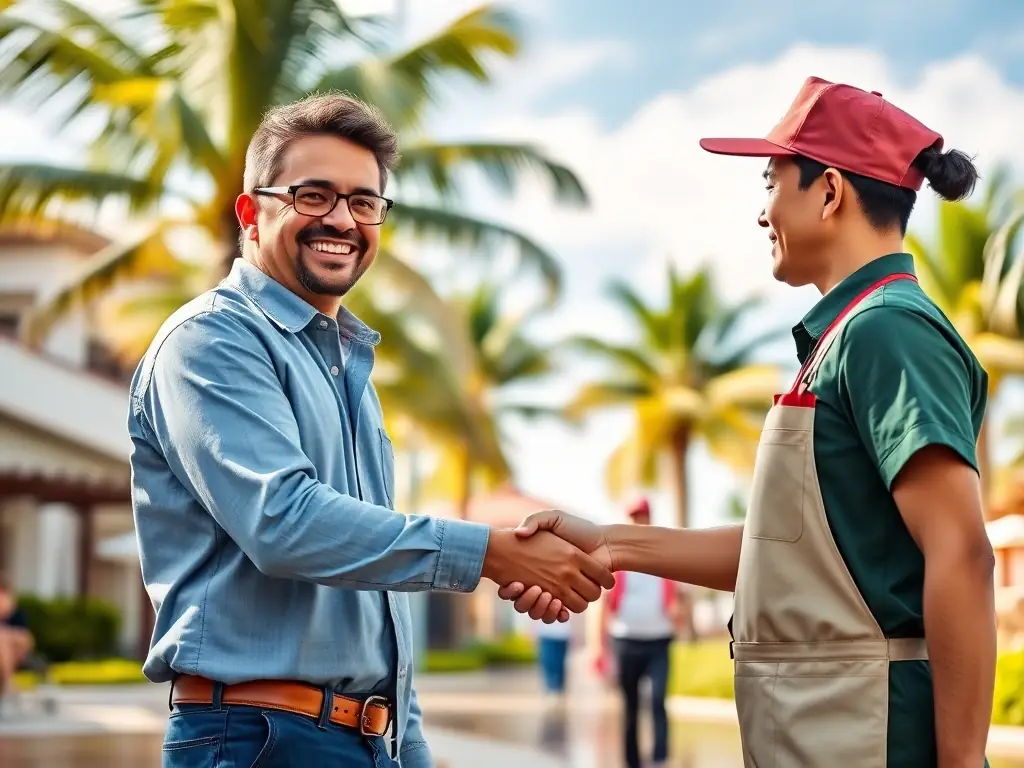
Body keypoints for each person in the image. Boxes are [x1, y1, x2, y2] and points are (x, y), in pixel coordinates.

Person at [499, 76, 996, 768]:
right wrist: (609, 544)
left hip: (874, 729)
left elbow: (962, 554)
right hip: (827, 725)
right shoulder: (844, 337)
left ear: (828, 191)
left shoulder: (888, 332)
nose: (763, 213)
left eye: (770, 183)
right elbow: (781, 553)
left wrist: (963, 761)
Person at [127, 93, 614, 768]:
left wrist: (406, 746)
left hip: (363, 739)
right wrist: (493, 554)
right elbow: (284, 523)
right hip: (254, 740)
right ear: (251, 211)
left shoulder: (346, 369)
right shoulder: (211, 339)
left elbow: (372, 584)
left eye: (364, 202)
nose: (341, 219)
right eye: (313, 195)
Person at [600, 497, 678, 768]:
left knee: (658, 699)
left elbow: (678, 596)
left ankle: (659, 759)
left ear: (649, 518)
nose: (638, 521)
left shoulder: (663, 554)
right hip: (625, 640)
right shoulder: (617, 557)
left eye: (642, 516)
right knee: (630, 706)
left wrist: (684, 619)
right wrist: (599, 648)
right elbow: (604, 604)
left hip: (659, 639)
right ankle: (631, 762)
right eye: (633, 516)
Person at [0, 581, 33, 698]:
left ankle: (7, 683)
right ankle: (8, 683)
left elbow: (26, 637)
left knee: (5, 638)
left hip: (16, 652)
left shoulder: (17, 615)